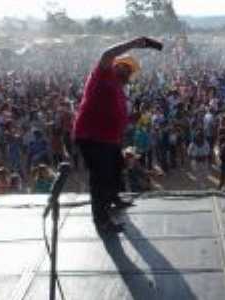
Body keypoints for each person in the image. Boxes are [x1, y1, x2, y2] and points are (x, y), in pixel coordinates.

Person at [72, 36, 162, 232]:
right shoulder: (102, 75)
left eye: (129, 70)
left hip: (109, 138)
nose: (126, 71)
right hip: (92, 136)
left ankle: (113, 198)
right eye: (123, 66)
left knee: (116, 168)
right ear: (115, 65)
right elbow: (106, 54)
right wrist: (134, 43)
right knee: (100, 177)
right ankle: (101, 220)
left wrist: (131, 119)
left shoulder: (120, 89)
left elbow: (117, 117)